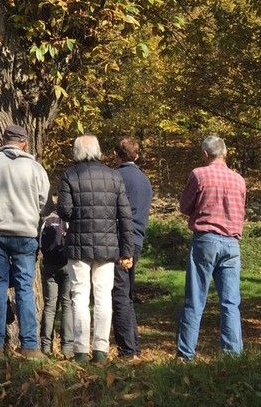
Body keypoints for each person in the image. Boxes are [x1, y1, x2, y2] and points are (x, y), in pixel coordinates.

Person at [0, 124, 49, 359]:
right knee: (25, 288)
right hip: (25, 235)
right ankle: (30, 346)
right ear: (24, 143)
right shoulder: (35, 168)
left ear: (3, 141)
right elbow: (45, 204)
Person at [57, 135, 134, 363]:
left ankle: (81, 350)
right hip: (107, 246)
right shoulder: (114, 175)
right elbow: (125, 216)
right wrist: (127, 250)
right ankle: (100, 349)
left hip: (78, 246)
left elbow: (64, 212)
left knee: (79, 296)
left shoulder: (70, 175)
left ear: (77, 151)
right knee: (103, 297)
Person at [175, 134, 246, 360]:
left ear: (205, 154)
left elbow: (184, 206)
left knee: (196, 299)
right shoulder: (239, 180)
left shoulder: (199, 174)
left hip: (206, 239)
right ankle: (232, 354)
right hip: (232, 243)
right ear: (225, 152)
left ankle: (186, 353)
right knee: (230, 302)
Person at [112, 137, 153, 358]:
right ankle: (133, 345)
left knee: (119, 293)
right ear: (136, 155)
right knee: (127, 293)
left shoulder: (116, 177)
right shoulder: (145, 180)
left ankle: (127, 348)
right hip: (137, 239)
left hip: (120, 240)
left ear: (116, 154)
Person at [37, 200, 73, 357]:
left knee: (50, 306)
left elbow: (39, 244)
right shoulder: (68, 219)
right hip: (66, 265)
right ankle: (67, 347)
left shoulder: (46, 219)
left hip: (49, 265)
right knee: (67, 304)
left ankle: (45, 346)